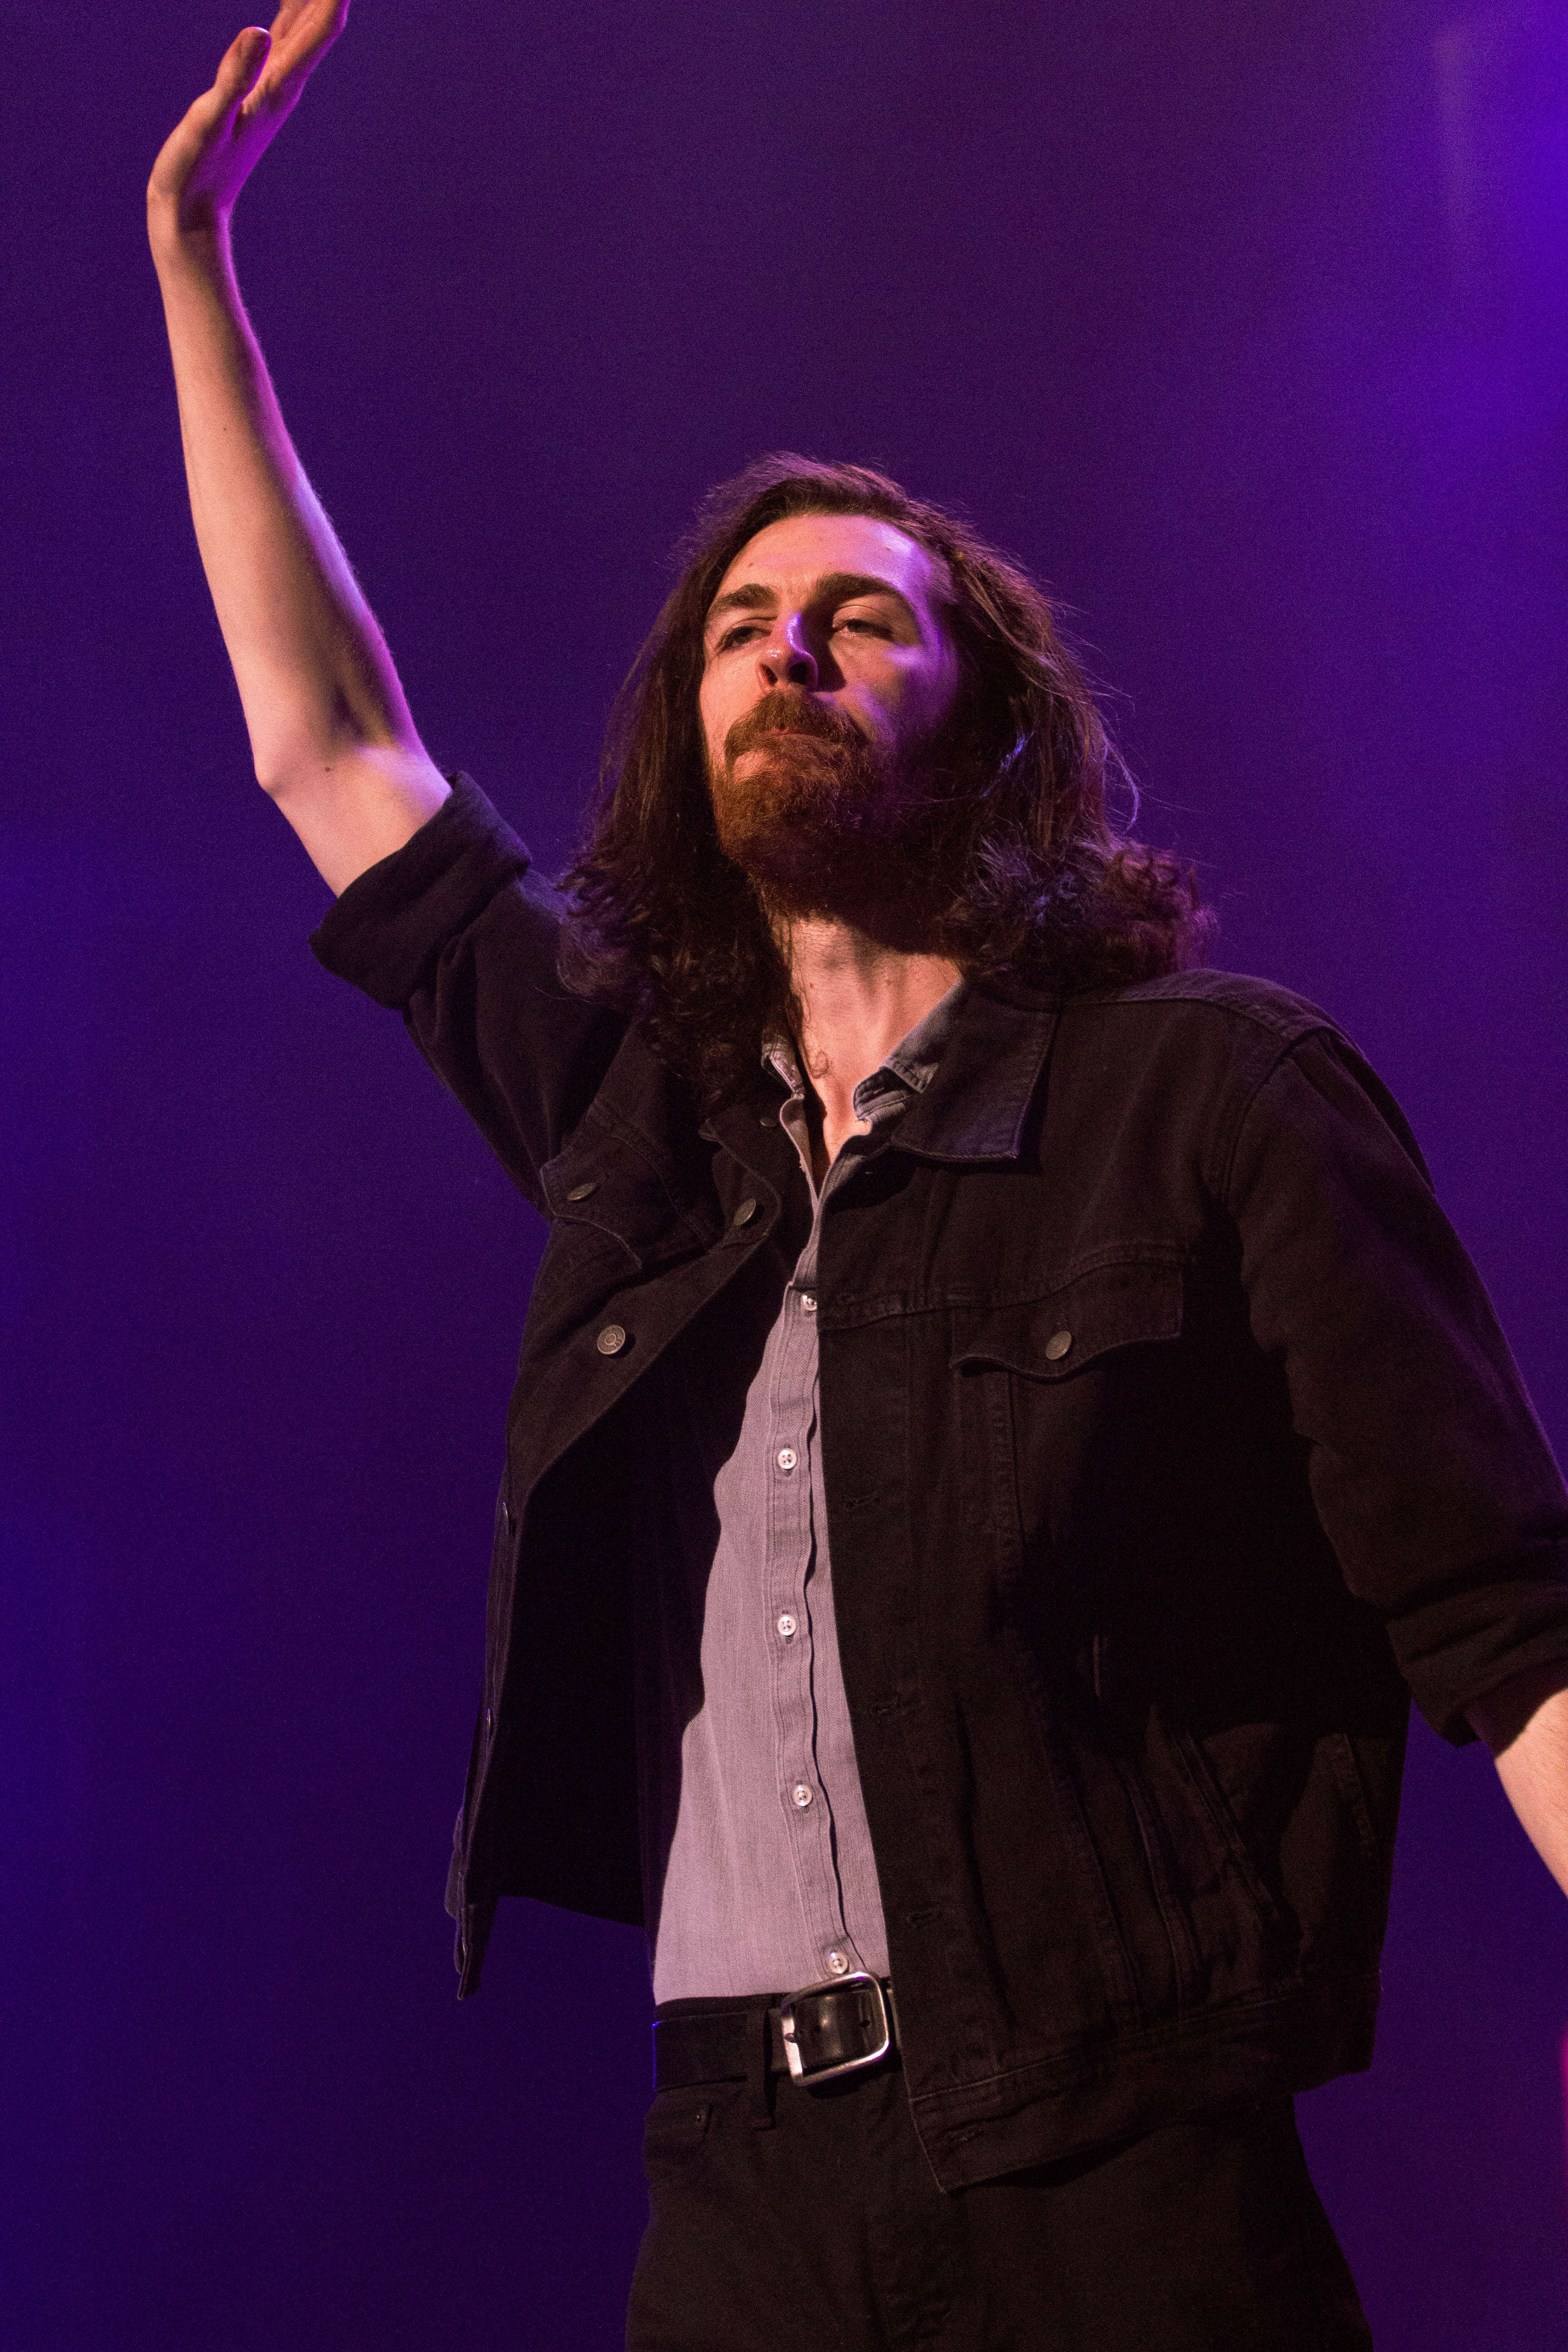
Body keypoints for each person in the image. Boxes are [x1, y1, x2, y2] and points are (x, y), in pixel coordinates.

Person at [148, 11, 1568, 2347]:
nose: (785, 650)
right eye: (739, 630)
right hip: (740, 2185)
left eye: (857, 619)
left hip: (1108, 2156)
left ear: (989, 730)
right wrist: (195, 259)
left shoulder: (1212, 1099)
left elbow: (1508, 1627)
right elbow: (331, 751)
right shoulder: (648, 1128)